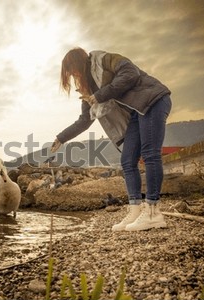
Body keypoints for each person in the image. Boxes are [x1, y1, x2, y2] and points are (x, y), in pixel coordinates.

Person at [51, 47, 171, 232]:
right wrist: (61, 138)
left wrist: (99, 96)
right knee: (127, 161)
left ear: (78, 62)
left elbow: (131, 73)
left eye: (72, 70)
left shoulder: (104, 60)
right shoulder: (88, 89)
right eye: (69, 74)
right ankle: (135, 210)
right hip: (137, 113)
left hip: (153, 99)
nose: (73, 75)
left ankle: (154, 212)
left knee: (150, 154)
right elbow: (84, 120)